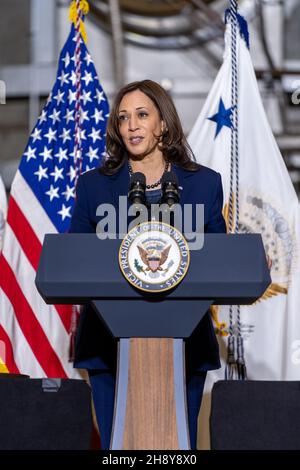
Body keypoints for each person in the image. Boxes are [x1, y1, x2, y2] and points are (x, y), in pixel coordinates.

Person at [70, 79, 226, 449]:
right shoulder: (94, 186)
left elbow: (221, 255)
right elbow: (73, 256)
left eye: (142, 115)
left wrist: (249, 259)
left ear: (164, 124)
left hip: (185, 343)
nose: (131, 125)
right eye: (123, 118)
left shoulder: (203, 184)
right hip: (108, 342)